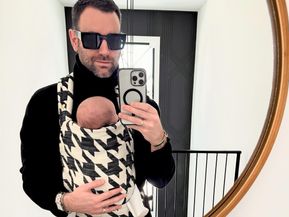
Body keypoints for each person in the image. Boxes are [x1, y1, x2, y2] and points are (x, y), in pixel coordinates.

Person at [19, 0, 175, 216]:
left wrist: (159, 140)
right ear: (75, 40)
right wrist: (67, 202)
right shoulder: (45, 103)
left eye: (114, 40)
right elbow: (32, 179)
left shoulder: (142, 107)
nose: (105, 50)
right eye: (92, 39)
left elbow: (160, 180)